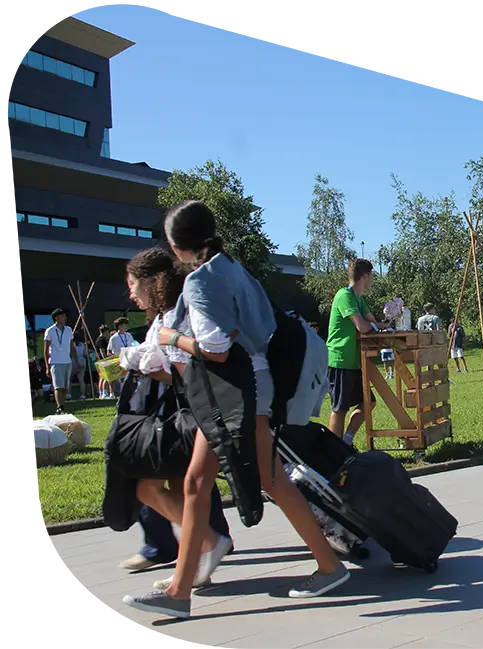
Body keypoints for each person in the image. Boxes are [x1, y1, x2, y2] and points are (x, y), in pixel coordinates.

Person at [123, 200, 350, 619]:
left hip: (235, 390)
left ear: (176, 244)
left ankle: (181, 591)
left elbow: (217, 347)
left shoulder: (199, 282)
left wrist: (173, 338)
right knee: (230, 480)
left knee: (225, 481)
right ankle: (325, 565)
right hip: (255, 384)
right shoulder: (230, 266)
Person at [117, 247, 233, 576]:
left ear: (150, 283)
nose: (130, 292)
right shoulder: (167, 316)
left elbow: (187, 370)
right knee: (182, 486)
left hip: (192, 413)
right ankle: (198, 556)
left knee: (163, 486)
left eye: (132, 283)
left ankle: (204, 549)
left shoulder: (175, 316)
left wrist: (148, 365)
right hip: (188, 413)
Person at [326, 258, 383, 447]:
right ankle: (333, 451)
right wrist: (373, 326)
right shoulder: (344, 296)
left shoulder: (359, 299)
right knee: (340, 408)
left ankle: (346, 441)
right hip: (340, 359)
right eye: (372, 275)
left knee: (369, 402)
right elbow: (363, 326)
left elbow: (372, 322)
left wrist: (386, 324)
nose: (373, 279)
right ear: (365, 276)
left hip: (354, 361)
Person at [43, 308, 80, 414]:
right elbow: (45, 350)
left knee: (64, 387)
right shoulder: (50, 331)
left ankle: (62, 406)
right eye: (63, 316)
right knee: (58, 386)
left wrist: (76, 361)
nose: (65, 318)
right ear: (57, 318)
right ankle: (59, 407)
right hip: (55, 361)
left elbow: (71, 347)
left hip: (67, 361)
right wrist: (47, 366)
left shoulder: (68, 330)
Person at [107, 317, 135, 397]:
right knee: (115, 378)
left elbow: (133, 345)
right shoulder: (113, 338)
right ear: (119, 326)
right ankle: (112, 393)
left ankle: (127, 393)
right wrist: (113, 358)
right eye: (124, 324)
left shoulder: (129, 335)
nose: (126, 326)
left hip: (129, 359)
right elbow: (109, 350)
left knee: (127, 377)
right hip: (119, 360)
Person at [95, 325, 112, 399]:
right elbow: (102, 350)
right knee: (106, 377)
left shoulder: (99, 339)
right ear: (105, 331)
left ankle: (101, 393)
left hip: (100, 360)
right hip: (103, 361)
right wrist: (105, 359)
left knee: (102, 377)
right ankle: (104, 392)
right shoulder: (101, 340)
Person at [72, 332, 89, 399]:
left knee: (69, 379)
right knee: (81, 379)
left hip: (73, 361)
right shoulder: (82, 345)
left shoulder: (72, 345)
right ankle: (83, 394)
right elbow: (86, 353)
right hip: (82, 361)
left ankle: (68, 394)